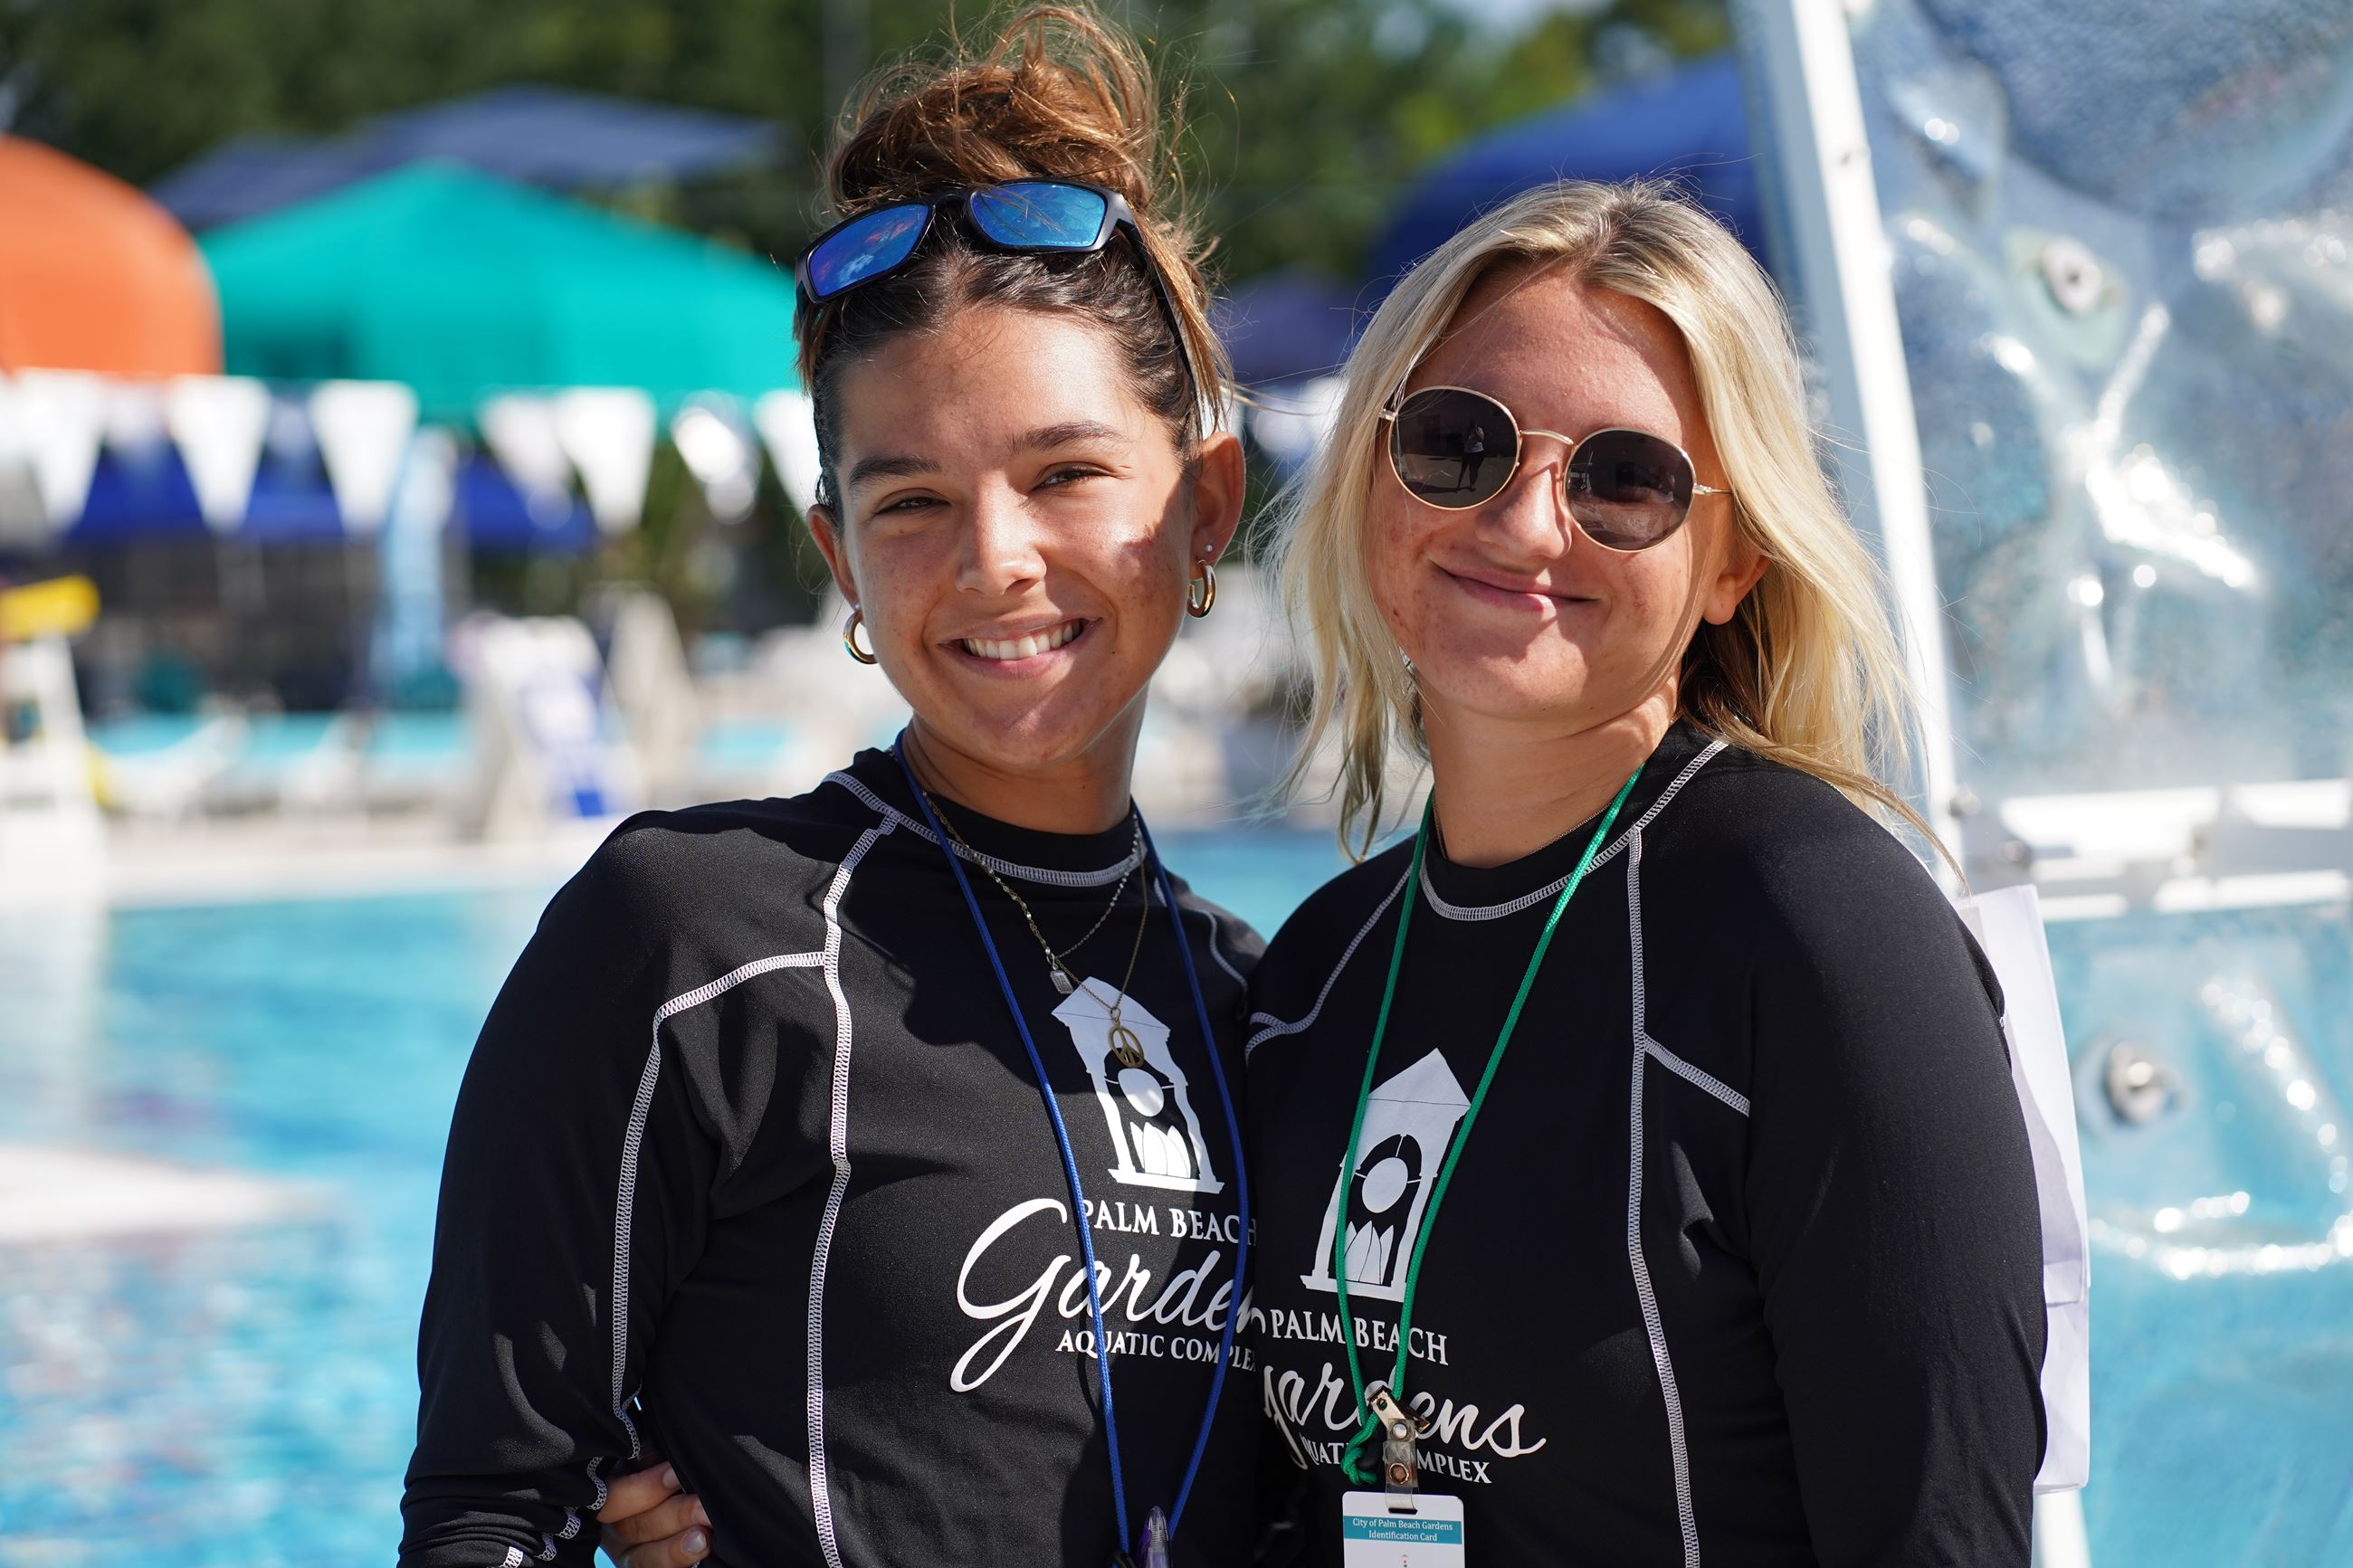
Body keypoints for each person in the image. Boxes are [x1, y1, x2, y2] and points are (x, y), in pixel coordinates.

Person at [397, 10, 1262, 1565]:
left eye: (1066, 473)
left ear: (1204, 508)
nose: (996, 556)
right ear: (838, 560)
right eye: (912, 499)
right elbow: (486, 1507)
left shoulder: (1265, 1013)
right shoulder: (698, 947)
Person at [1243, 179, 2047, 1565]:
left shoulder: (1820, 932)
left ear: (1735, 557)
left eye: (1625, 478)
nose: (1527, 521)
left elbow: (1942, 1529)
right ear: (1373, 477)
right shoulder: (1318, 973)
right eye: (1456, 444)